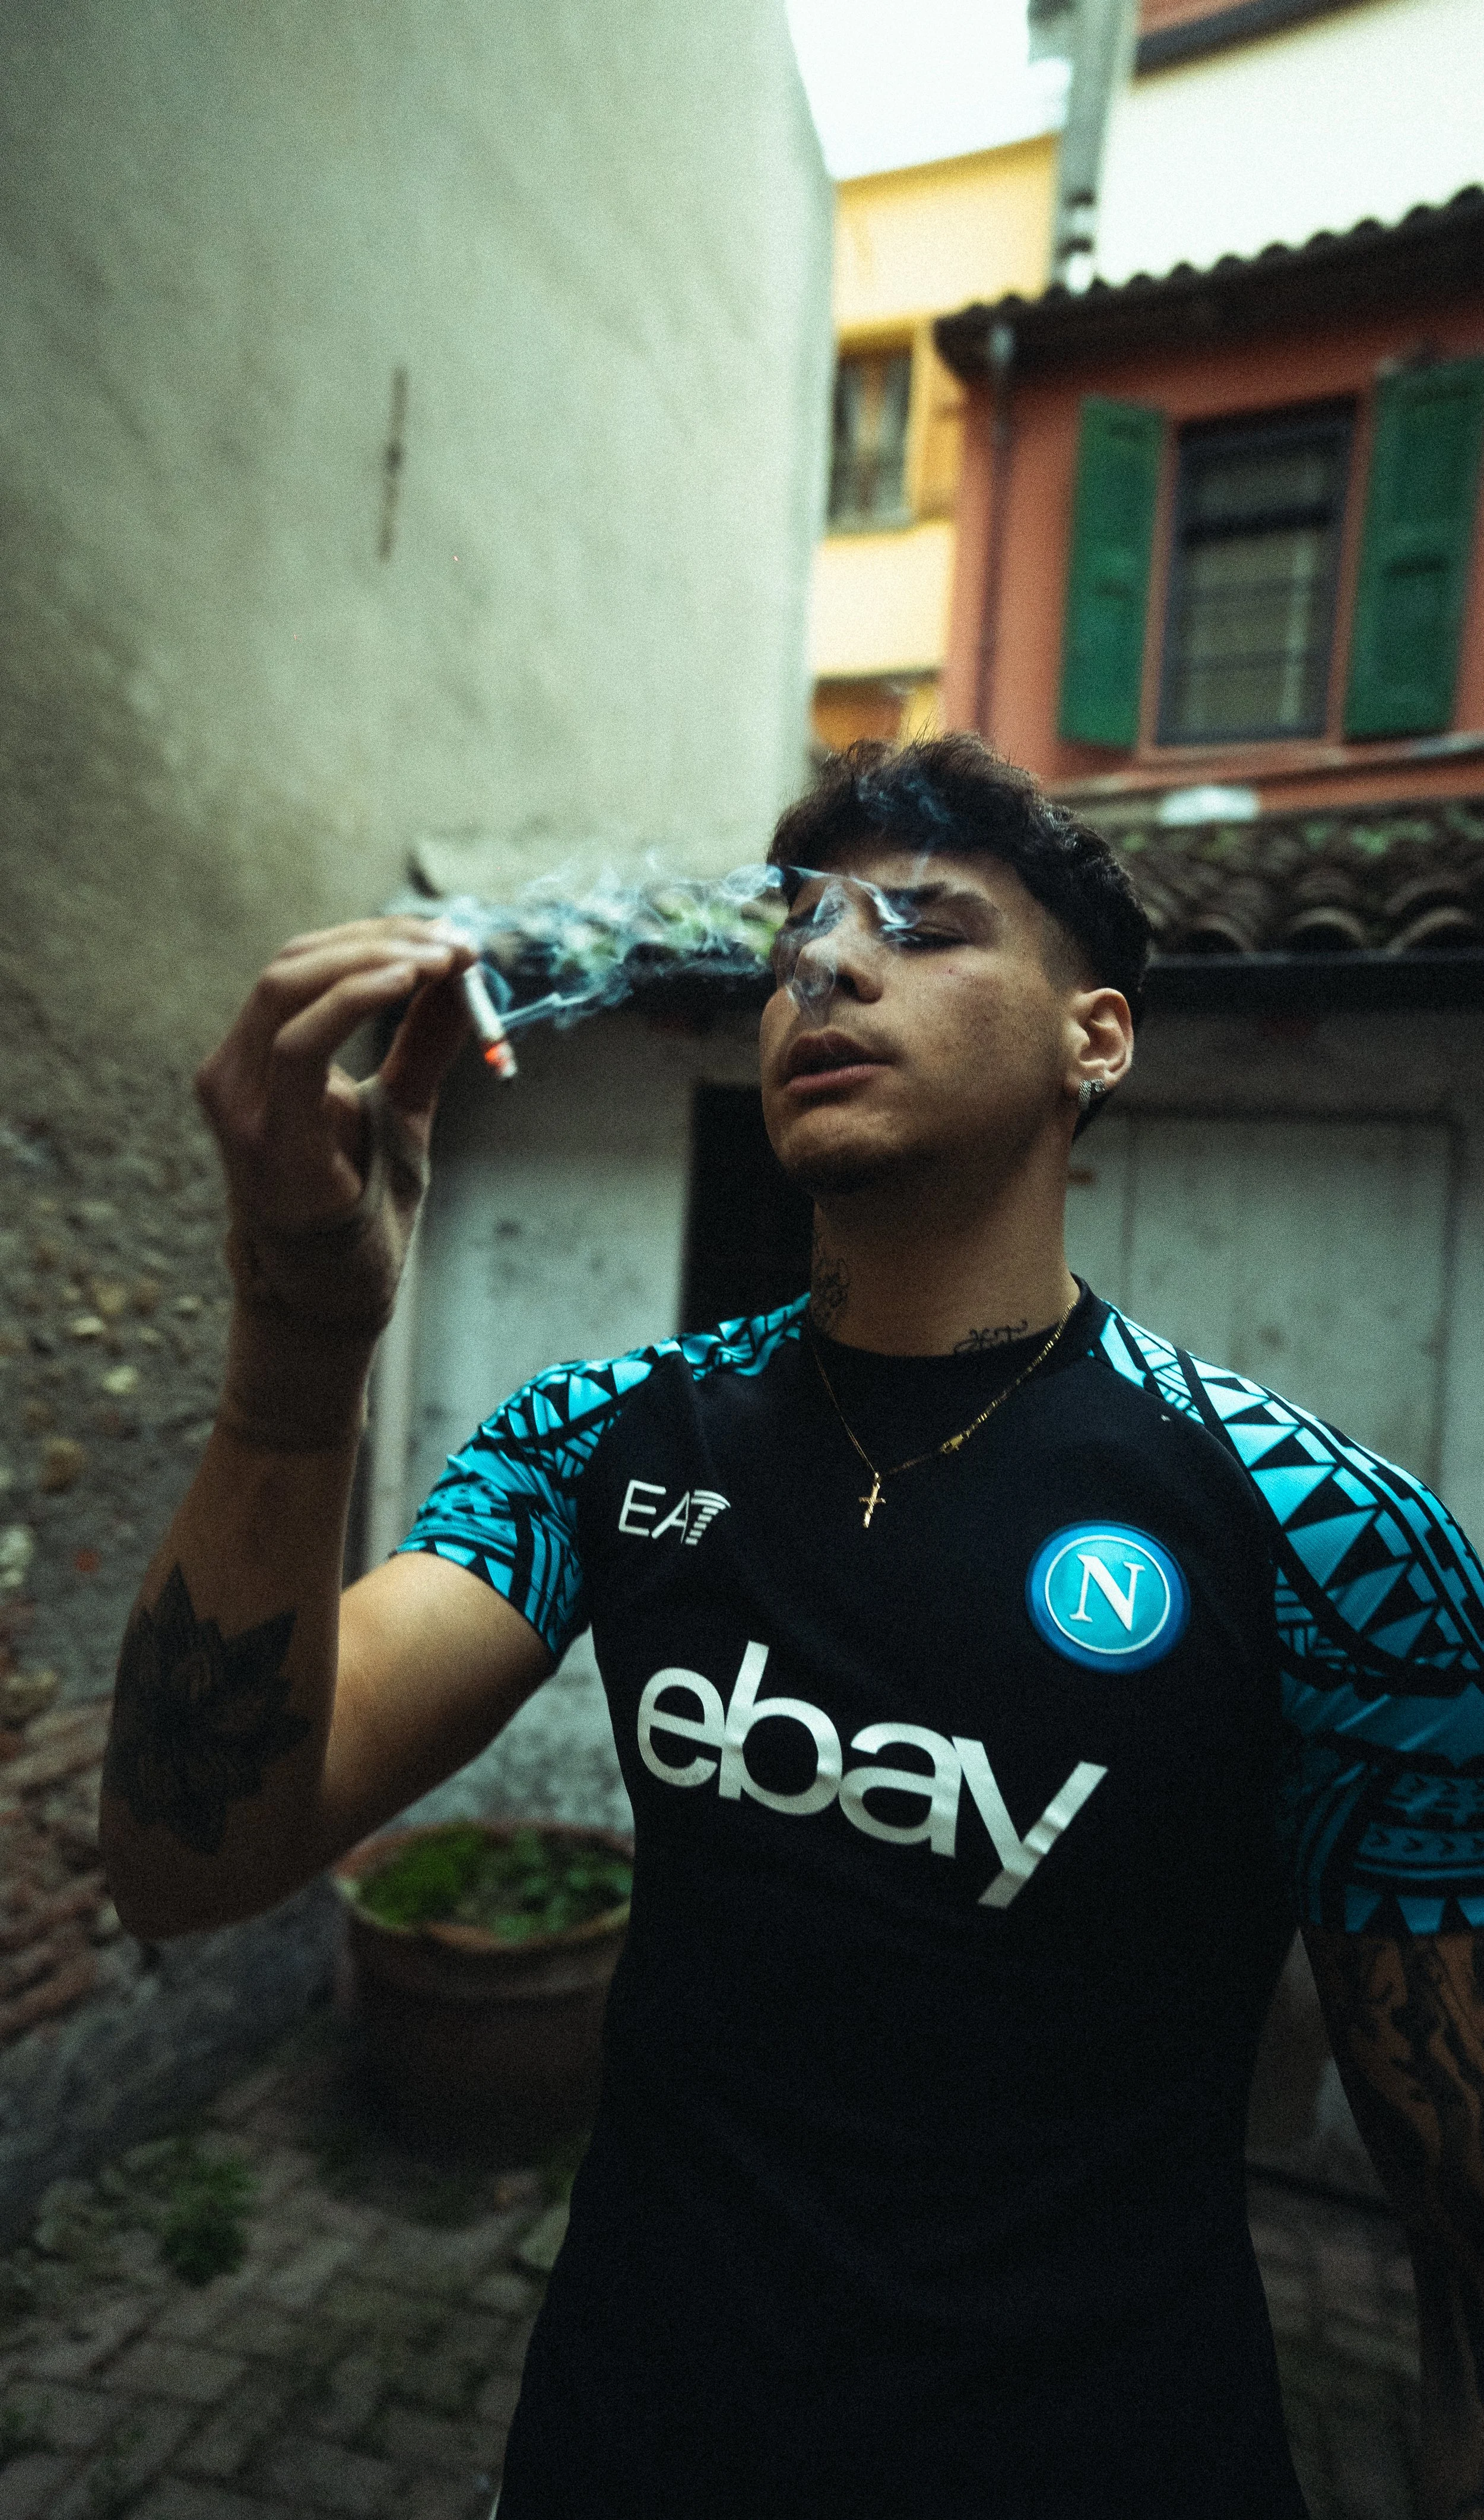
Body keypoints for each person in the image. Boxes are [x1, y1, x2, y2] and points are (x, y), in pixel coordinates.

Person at [102, 736, 1484, 2519]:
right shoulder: (604, 1436)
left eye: (924, 925)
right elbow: (187, 1857)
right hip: (629, 2441)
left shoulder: (1329, 1539)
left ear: (1098, 1036)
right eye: (799, 935)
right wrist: (298, 1357)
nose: (825, 965)